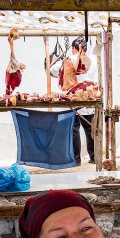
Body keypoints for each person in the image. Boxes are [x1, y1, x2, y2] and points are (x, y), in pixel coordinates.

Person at [51, 37, 97, 165]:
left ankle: (76, 159)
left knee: (74, 129)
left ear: (74, 49)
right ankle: (94, 157)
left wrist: (58, 61)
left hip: (74, 99)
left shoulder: (70, 59)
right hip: (89, 98)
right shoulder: (93, 60)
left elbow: (52, 70)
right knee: (90, 129)